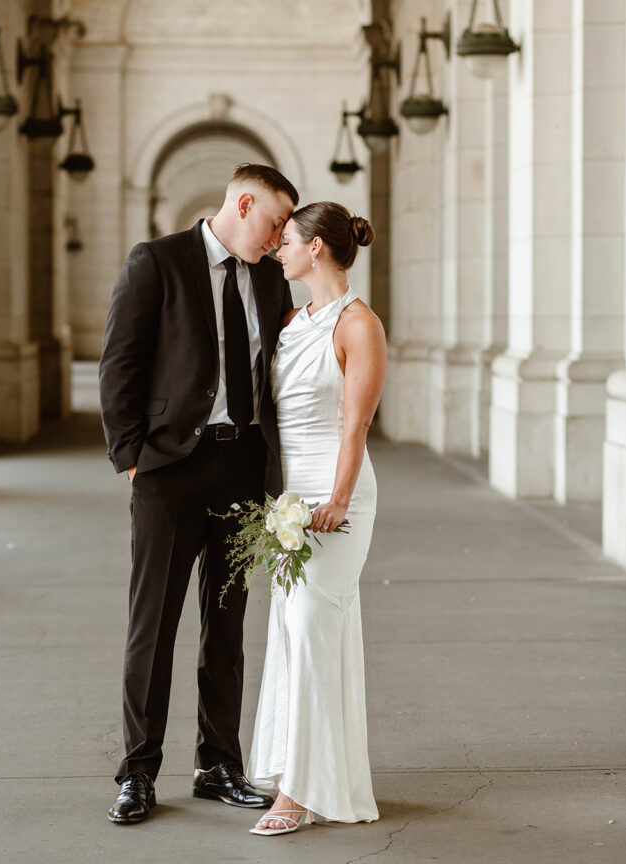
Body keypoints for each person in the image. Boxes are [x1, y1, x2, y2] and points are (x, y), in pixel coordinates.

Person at [99, 163, 298, 823]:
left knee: (227, 623)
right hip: (169, 471)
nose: (278, 238)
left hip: (242, 468)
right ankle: (138, 773)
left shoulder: (268, 277)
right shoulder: (156, 262)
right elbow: (119, 363)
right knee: (153, 626)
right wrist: (133, 460)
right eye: (274, 222)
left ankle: (218, 765)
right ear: (242, 205)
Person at [247, 201, 386, 836]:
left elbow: (356, 426)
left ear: (317, 248)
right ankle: (309, 774)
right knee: (293, 630)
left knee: (309, 626)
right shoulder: (290, 322)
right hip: (290, 500)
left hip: (337, 497)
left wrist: (337, 500)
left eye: (288, 240)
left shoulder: (359, 325)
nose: (278, 249)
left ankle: (296, 792)